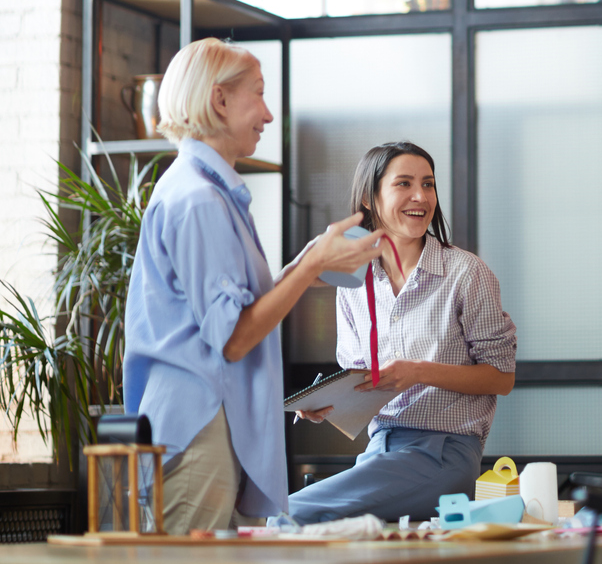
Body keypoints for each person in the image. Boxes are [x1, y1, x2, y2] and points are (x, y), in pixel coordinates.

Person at [123, 37, 382, 534]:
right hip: (196, 428)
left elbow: (242, 311)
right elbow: (236, 337)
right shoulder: (198, 200)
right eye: (258, 95)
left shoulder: (209, 194)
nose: (268, 114)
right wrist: (308, 270)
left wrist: (312, 257)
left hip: (212, 426)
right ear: (219, 101)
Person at [285, 141, 516, 525]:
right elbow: (365, 383)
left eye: (428, 184)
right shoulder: (353, 283)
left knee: (289, 513)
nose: (420, 196)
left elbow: (501, 378)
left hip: (444, 454)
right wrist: (327, 404)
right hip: (380, 451)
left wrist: (419, 371)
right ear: (370, 199)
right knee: (311, 525)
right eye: (404, 184)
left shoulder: (467, 274)